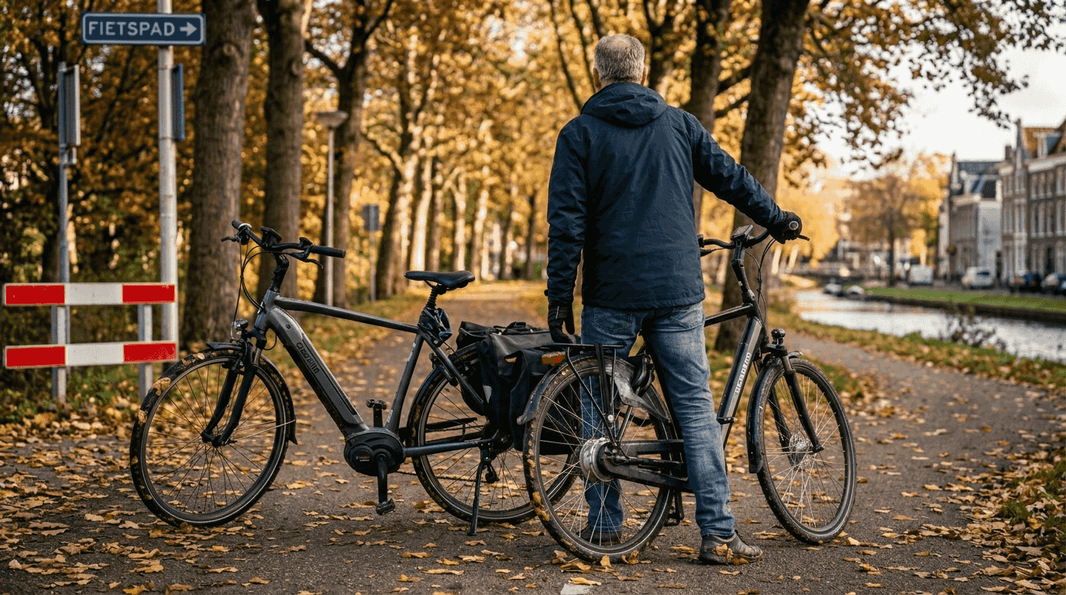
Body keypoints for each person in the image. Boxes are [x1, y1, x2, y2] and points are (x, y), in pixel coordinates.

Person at [544, 33, 802, 565]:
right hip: (676, 290)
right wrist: (776, 219)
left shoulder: (578, 134)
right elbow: (731, 179)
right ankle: (719, 534)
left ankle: (603, 527)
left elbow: (565, 226)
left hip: (610, 293)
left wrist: (557, 298)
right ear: (642, 72)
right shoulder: (680, 124)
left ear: (599, 75)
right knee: (695, 411)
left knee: (599, 408)